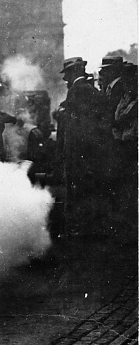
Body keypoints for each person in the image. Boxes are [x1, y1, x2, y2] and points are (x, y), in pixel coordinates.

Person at [55, 56, 110, 236]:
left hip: (79, 148)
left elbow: (78, 120)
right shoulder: (86, 89)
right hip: (86, 147)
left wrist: (61, 114)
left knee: (77, 186)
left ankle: (78, 227)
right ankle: (83, 226)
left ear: (76, 71)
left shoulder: (79, 90)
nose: (66, 78)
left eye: (68, 73)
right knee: (82, 186)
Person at [98, 56, 125, 139]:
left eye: (105, 69)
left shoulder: (120, 87)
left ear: (113, 70)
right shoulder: (110, 87)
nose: (102, 72)